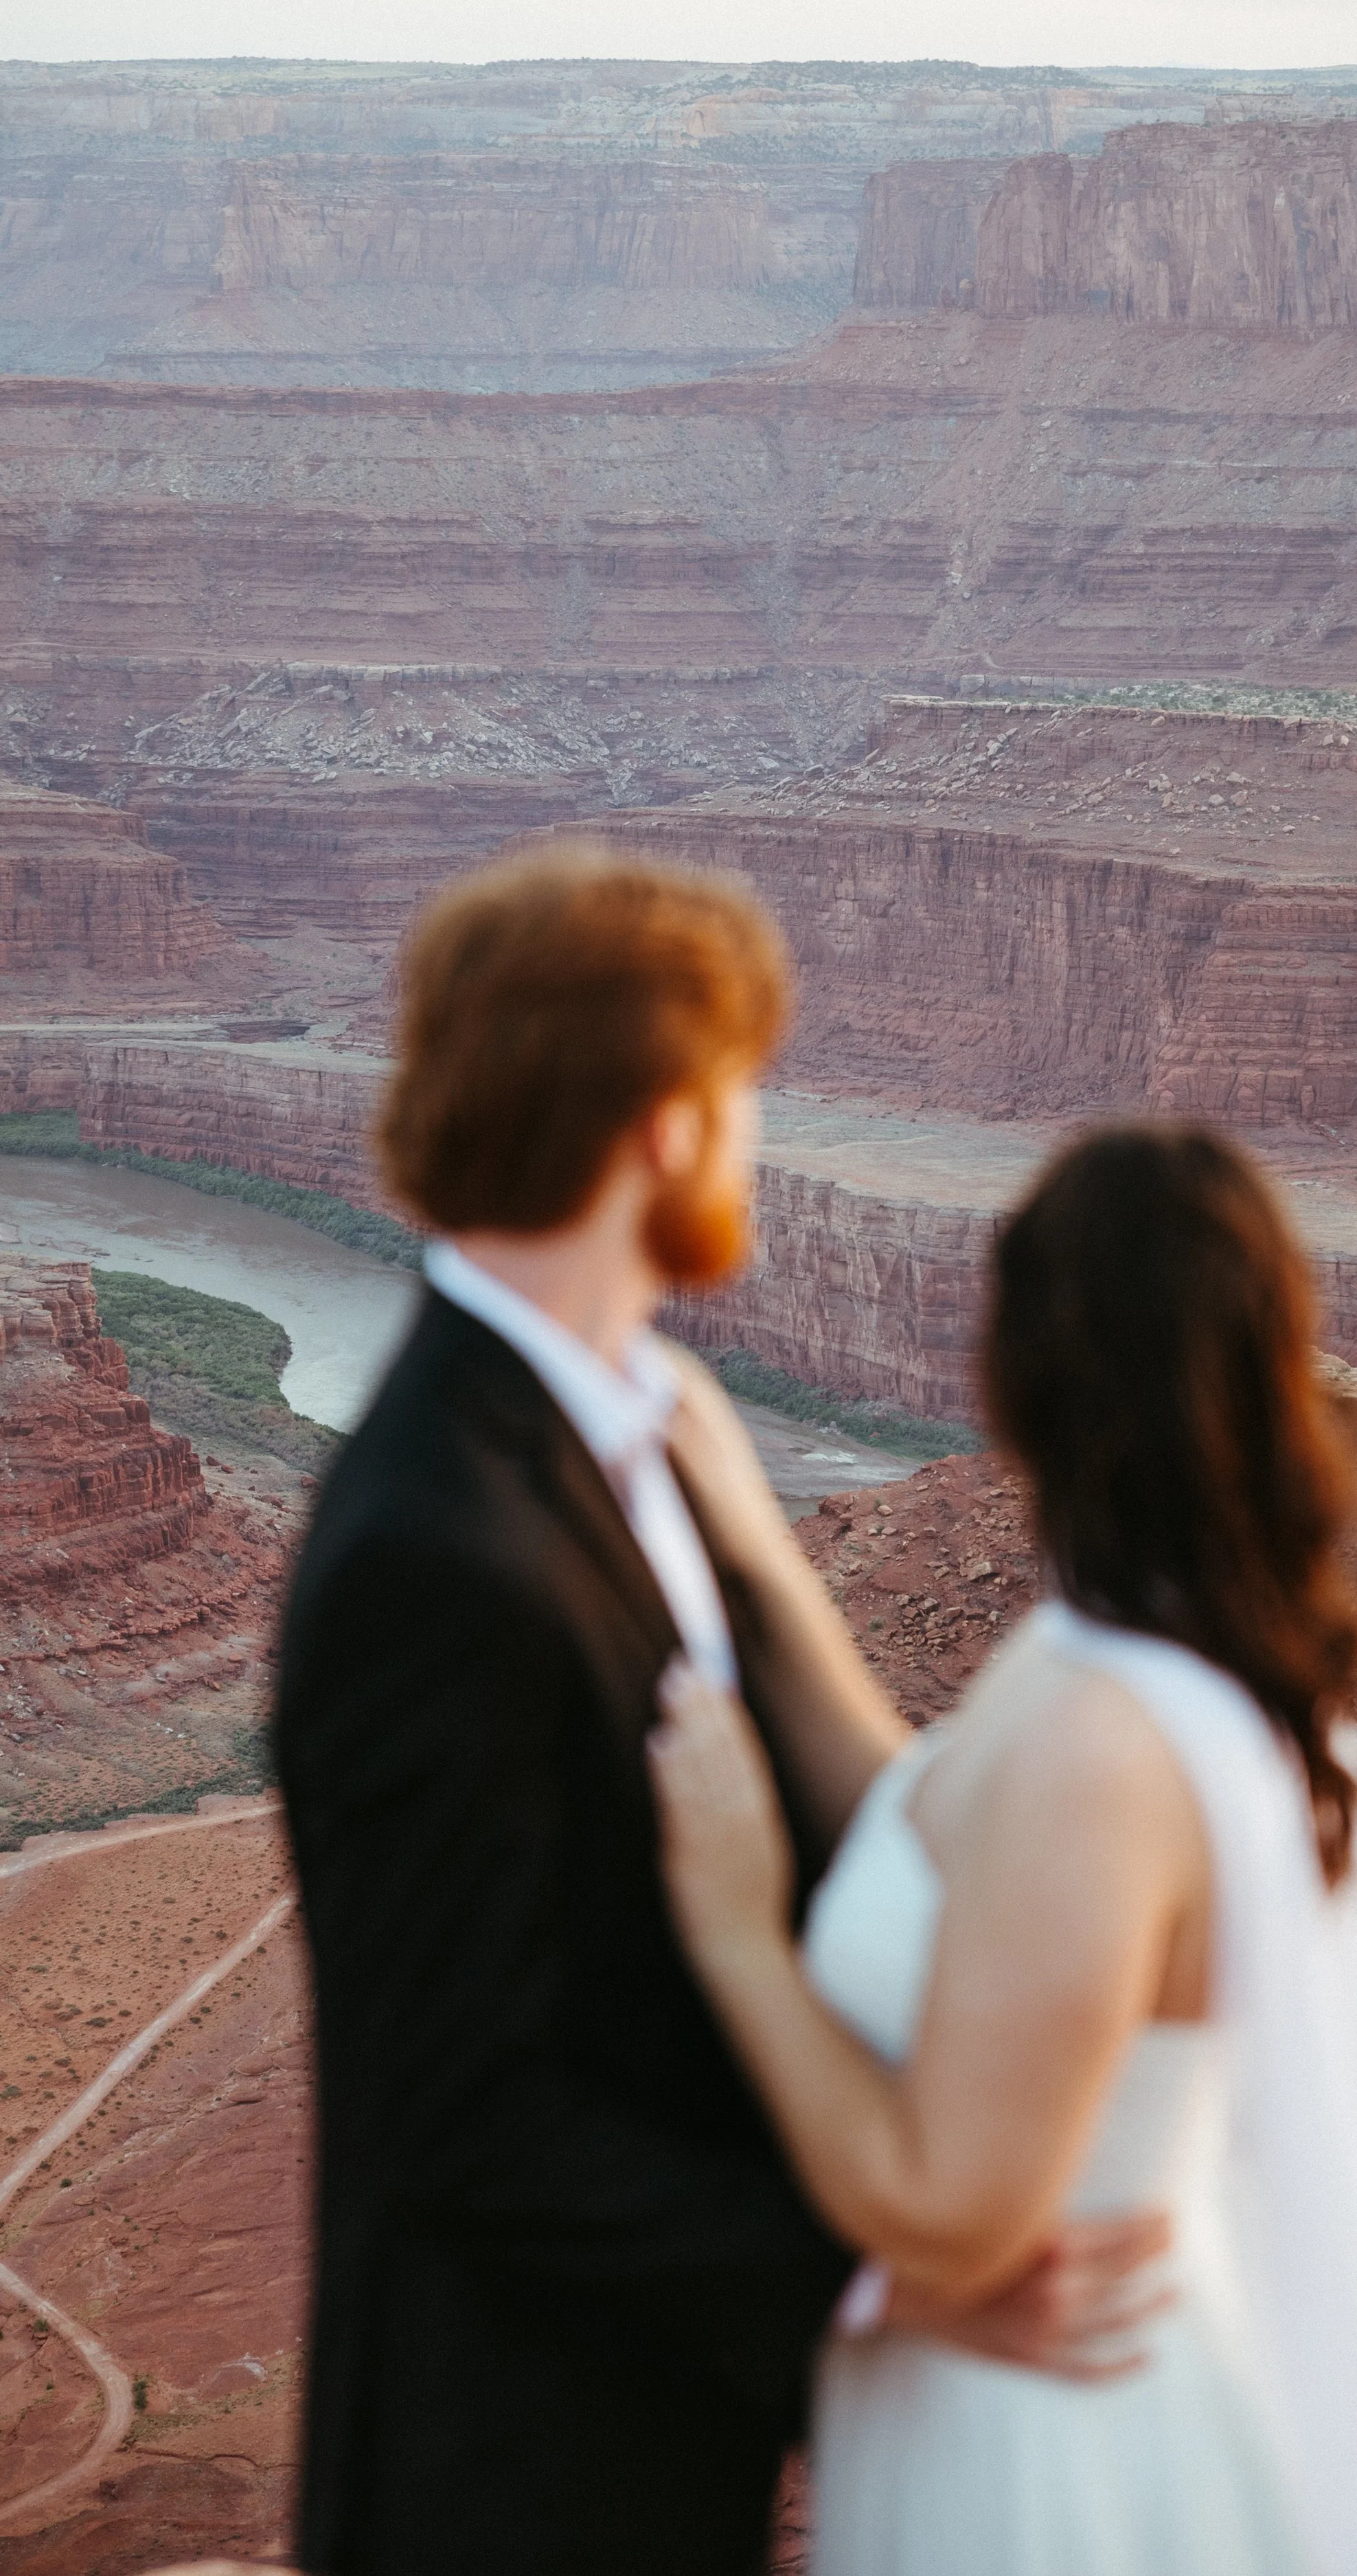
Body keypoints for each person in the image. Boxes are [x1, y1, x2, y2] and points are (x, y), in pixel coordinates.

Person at [273, 850, 1167, 2576]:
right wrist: (881, 2281)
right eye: (743, 1093)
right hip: (509, 2500)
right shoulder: (432, 1547)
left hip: (648, 2455)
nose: (755, 1139)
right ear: (666, 1127)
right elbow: (456, 2113)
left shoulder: (636, 1439)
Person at [648, 1121, 1357, 2576]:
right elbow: (937, 1837)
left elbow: (946, 2218)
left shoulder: (1103, 1745)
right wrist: (750, 1541)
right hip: (1057, 2421)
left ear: (1014, 1378)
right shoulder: (1140, 1655)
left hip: (1059, 2474)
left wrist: (738, 1937)